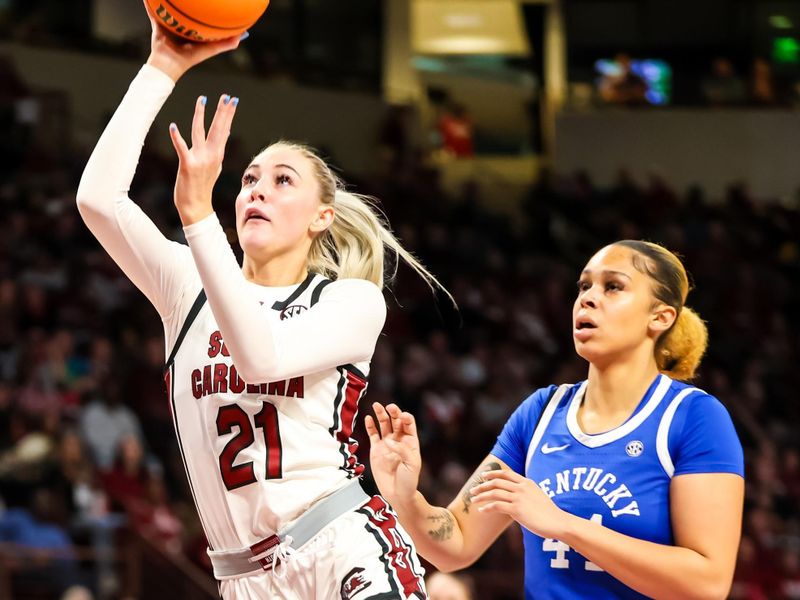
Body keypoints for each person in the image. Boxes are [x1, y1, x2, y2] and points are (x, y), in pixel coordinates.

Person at [76, 2, 438, 597]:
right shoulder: (186, 283)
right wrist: (161, 65)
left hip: (338, 546)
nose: (256, 190)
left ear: (323, 216)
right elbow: (97, 199)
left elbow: (261, 359)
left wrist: (197, 216)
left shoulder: (350, 301)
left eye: (281, 180)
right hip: (243, 580)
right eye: (247, 179)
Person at [367, 240, 745, 599]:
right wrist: (405, 497)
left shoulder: (694, 417)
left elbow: (708, 583)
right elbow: (457, 545)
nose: (588, 298)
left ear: (660, 317)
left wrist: (562, 523)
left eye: (613, 287)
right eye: (584, 286)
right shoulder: (542, 412)